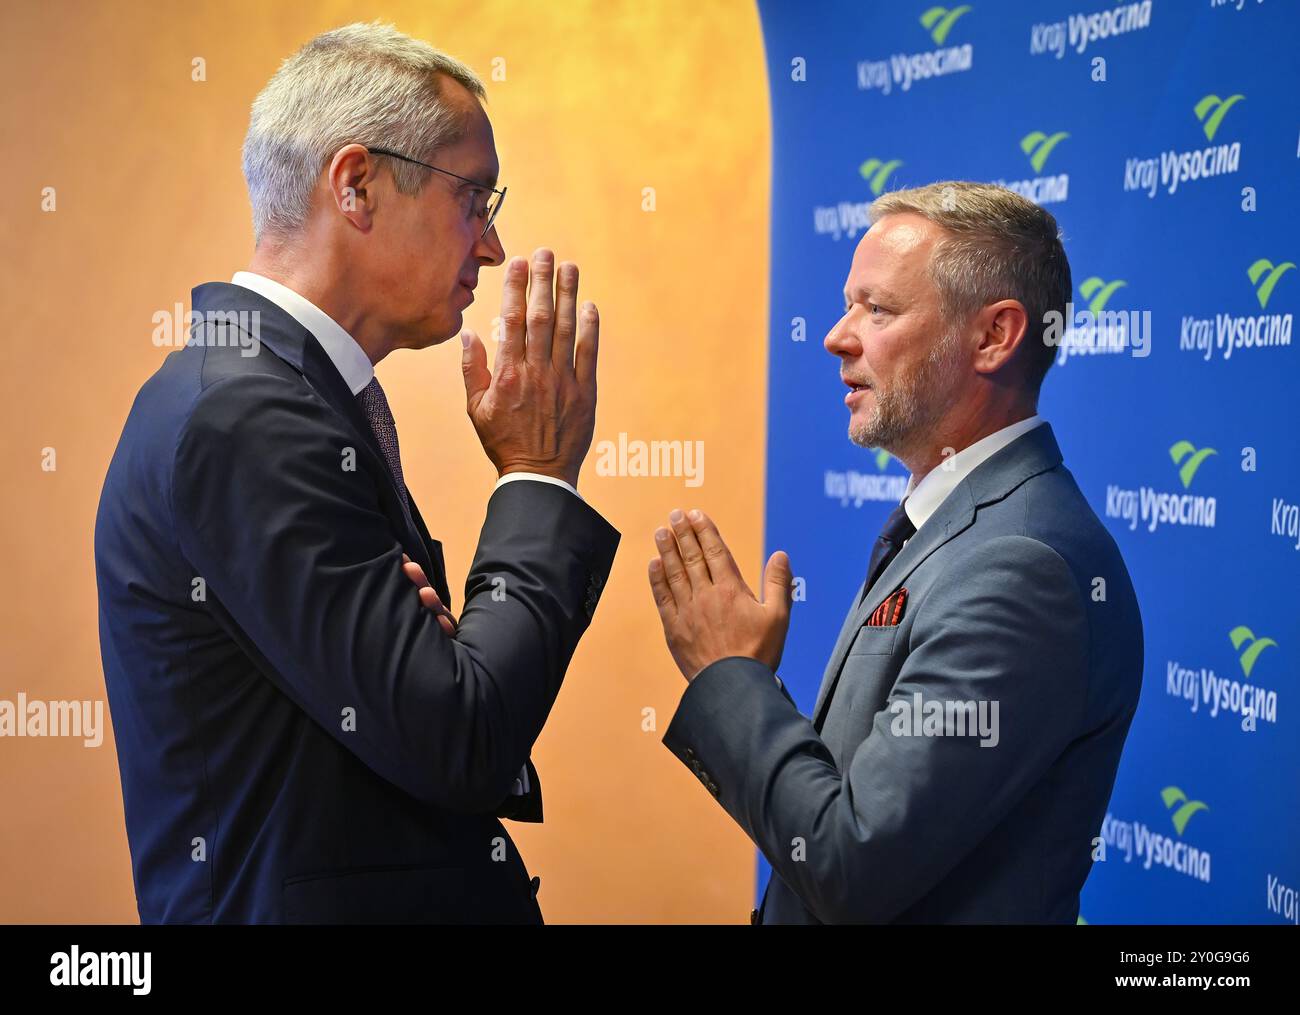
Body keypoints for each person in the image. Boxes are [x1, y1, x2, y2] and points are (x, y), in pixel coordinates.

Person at [95, 21, 619, 924]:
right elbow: (458, 733)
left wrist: (437, 659)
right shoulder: (244, 416)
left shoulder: (276, 394)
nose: (491, 248)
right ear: (358, 185)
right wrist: (536, 475)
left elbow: (417, 705)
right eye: (475, 199)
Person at [647, 181, 1143, 924]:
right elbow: (861, 802)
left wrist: (731, 678)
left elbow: (852, 862)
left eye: (877, 309)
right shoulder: (962, 525)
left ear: (994, 336)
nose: (836, 336)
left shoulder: (1021, 567)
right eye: (851, 303)